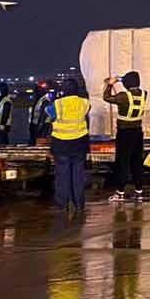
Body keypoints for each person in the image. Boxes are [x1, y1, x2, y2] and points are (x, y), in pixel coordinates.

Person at [103, 71, 148, 200]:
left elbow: (106, 97)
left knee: (122, 162)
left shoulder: (123, 96)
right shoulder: (144, 94)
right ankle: (139, 191)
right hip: (138, 132)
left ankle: (120, 192)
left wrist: (110, 85)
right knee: (137, 162)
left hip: (124, 133)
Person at [49, 78, 90, 219]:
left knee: (62, 175)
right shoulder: (84, 103)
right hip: (79, 142)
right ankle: (79, 203)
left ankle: (62, 204)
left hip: (61, 143)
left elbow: (49, 115)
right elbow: (86, 111)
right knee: (78, 175)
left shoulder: (57, 104)